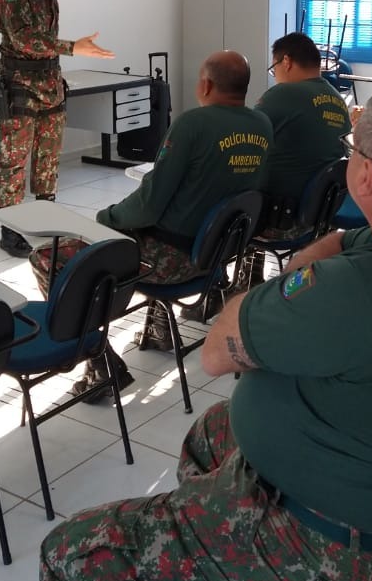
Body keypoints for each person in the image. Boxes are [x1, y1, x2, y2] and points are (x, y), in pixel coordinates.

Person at [38, 83, 372, 581]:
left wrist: (292, 287)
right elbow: (343, 245)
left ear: (365, 176)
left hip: (318, 553)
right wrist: (310, 276)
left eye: (352, 151)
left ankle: (222, 571)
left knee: (66, 557)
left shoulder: (356, 292)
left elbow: (218, 354)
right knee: (212, 431)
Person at [28, 51, 273, 398]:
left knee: (48, 256)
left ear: (205, 84)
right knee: (160, 226)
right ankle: (158, 328)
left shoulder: (193, 124)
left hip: (168, 262)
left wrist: (106, 219)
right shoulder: (262, 125)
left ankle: (99, 362)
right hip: (216, 256)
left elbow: (148, 205)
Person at [0, 0, 114, 257]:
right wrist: (74, 47)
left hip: (49, 82)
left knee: (47, 159)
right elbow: (23, 38)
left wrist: (67, 53)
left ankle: (45, 219)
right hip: (19, 83)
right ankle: (11, 228)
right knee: (14, 160)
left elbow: (42, 38)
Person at [256, 32, 351, 233]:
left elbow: (246, 139)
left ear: (287, 62)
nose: (276, 77)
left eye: (275, 69)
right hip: (320, 216)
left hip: (278, 216)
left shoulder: (283, 94)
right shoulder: (339, 100)